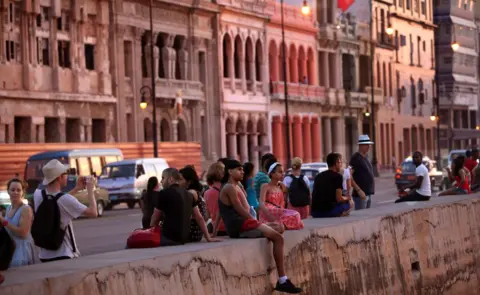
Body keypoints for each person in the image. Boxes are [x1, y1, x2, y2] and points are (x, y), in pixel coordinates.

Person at [216, 159, 302, 293]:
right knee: (278, 238)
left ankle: (265, 234)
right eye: (239, 169)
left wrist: (214, 231)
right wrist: (257, 223)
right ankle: (283, 280)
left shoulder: (238, 186)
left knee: (280, 227)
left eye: (242, 169)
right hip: (240, 226)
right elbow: (240, 210)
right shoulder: (228, 188)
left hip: (247, 222)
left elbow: (221, 212)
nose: (242, 171)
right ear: (230, 171)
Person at [33, 159, 98, 262]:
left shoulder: (38, 195)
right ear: (59, 177)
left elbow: (57, 200)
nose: (68, 176)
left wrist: (76, 189)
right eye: (66, 173)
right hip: (64, 254)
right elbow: (93, 212)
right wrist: (90, 189)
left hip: (44, 255)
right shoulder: (66, 200)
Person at [150, 168, 219, 245]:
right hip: (184, 237)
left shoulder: (163, 193)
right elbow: (199, 217)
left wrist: (150, 234)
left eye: (163, 178)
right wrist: (208, 237)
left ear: (171, 179)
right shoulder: (189, 195)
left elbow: (155, 218)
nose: (161, 181)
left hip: (168, 237)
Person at [258, 159, 304, 230]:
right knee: (295, 215)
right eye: (280, 172)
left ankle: (279, 225)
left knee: (296, 215)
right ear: (272, 174)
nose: (283, 174)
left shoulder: (281, 187)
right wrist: (269, 215)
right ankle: (276, 224)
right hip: (267, 212)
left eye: (283, 172)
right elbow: (261, 203)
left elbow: (282, 205)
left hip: (278, 212)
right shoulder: (265, 186)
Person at [0, 178, 35, 267]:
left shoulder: (25, 209)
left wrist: (4, 221)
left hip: (22, 251)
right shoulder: (8, 208)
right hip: (10, 249)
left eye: (18, 190)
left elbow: (23, 233)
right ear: (8, 191)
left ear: (23, 192)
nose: (15, 192)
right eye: (12, 190)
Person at [311, 153, 353, 218]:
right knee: (349, 203)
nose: (341, 165)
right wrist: (348, 198)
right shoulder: (338, 176)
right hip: (328, 212)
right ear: (335, 163)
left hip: (315, 213)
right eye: (340, 163)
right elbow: (339, 198)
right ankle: (340, 214)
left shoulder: (318, 176)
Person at [179, 166, 212, 243]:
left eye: (180, 179)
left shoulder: (191, 193)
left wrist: (208, 237)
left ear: (189, 181)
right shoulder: (191, 192)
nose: (177, 181)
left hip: (192, 232)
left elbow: (199, 217)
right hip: (194, 231)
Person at [349, 134, 375, 210]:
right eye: (366, 145)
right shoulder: (356, 158)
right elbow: (349, 176)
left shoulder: (366, 157)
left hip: (368, 193)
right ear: (361, 146)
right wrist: (359, 190)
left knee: (367, 217)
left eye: (369, 145)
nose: (368, 146)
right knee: (362, 217)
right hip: (360, 195)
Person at [204, 162, 227, 236]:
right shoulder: (229, 189)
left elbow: (207, 215)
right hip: (228, 227)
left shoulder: (207, 193)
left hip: (216, 228)